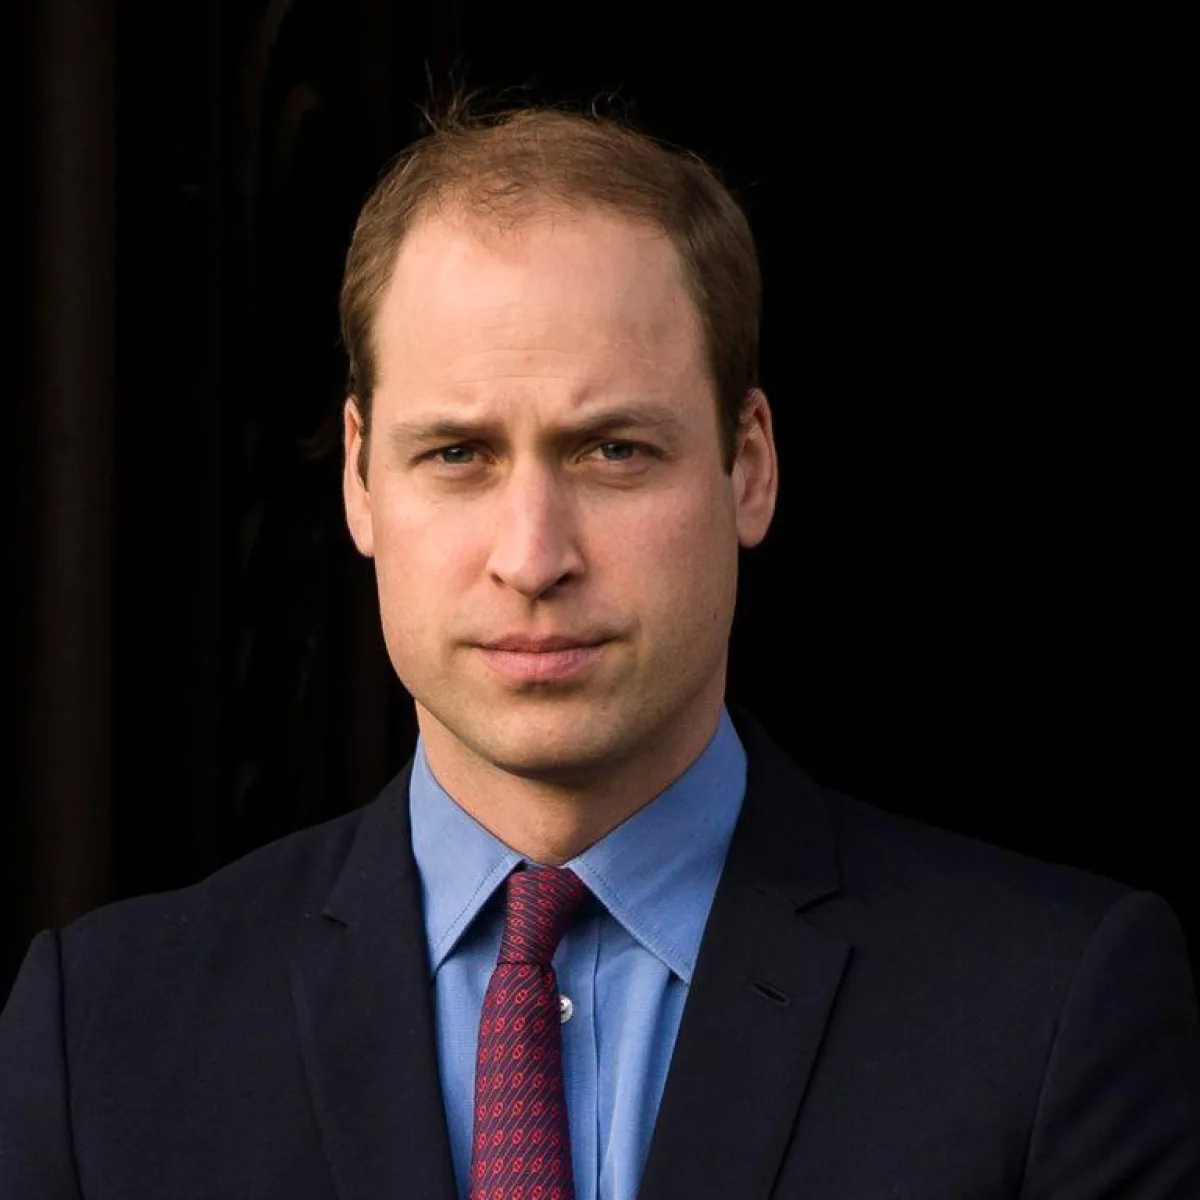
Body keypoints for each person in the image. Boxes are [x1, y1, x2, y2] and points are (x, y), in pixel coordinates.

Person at [2, 102, 1198, 1200]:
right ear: (360, 479)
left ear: (749, 466)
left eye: (613, 451)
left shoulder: (1050, 1015)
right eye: (458, 454)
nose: (533, 557)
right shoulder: (100, 1037)